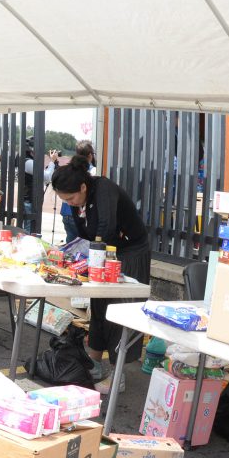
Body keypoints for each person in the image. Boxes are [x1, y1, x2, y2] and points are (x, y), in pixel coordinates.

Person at [51, 153, 150, 394]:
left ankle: (118, 375)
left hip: (129, 253)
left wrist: (90, 253)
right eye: (65, 199)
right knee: (99, 306)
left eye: (72, 197)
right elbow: (83, 231)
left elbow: (105, 227)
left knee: (121, 311)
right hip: (102, 253)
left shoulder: (103, 188)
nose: (70, 203)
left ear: (83, 186)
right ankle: (93, 363)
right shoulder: (79, 200)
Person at [46, 140, 97, 243]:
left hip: (66, 212)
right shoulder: (93, 171)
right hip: (83, 215)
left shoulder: (69, 171)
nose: (70, 201)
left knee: (71, 245)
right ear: (90, 155)